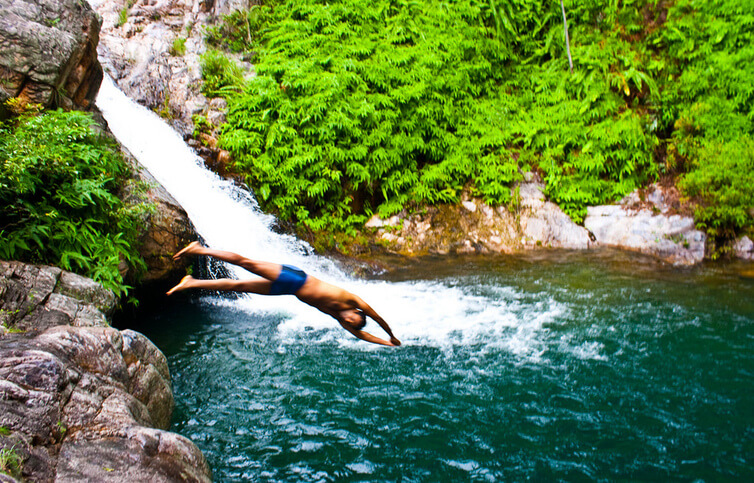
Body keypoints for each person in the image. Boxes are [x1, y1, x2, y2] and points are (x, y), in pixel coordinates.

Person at [167, 242, 401, 347]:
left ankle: (192, 282)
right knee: (246, 263)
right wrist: (389, 332)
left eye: (352, 323)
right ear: (356, 311)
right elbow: (377, 317)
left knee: (237, 286)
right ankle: (199, 249)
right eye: (354, 318)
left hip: (288, 290)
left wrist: (386, 343)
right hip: (295, 278)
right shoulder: (352, 300)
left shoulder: (337, 316)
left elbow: (362, 337)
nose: (349, 321)